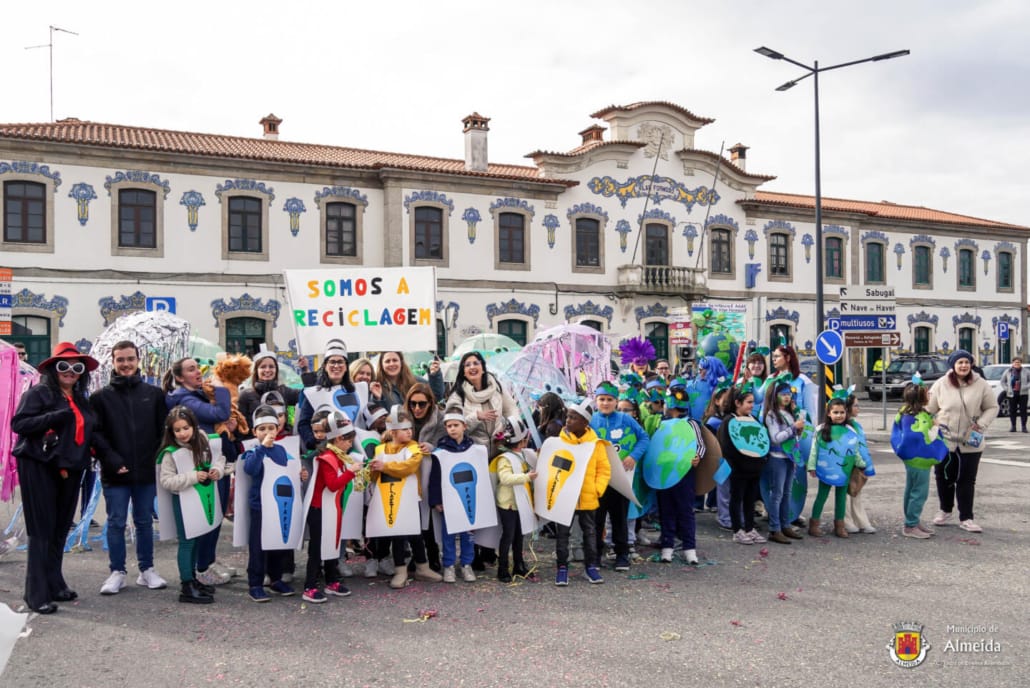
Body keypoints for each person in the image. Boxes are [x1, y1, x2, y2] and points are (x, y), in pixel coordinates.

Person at [11, 342, 119, 614]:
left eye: (77, 367)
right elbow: (20, 424)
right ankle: (35, 594)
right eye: (64, 366)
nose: (70, 371)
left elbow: (92, 433)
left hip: (71, 468)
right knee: (42, 530)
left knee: (60, 529)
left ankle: (55, 584)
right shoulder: (39, 393)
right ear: (53, 369)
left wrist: (112, 458)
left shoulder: (82, 399)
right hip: (39, 466)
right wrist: (55, 416)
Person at [90, 340, 169, 595]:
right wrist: (113, 460)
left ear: (138, 361)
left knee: (145, 521)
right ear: (113, 362)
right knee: (115, 521)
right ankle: (117, 571)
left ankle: (147, 569)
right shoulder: (101, 397)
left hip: (145, 470)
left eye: (130, 359)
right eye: (120, 359)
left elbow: (162, 431)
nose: (126, 364)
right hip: (116, 471)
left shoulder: (154, 394)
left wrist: (156, 459)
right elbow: (96, 434)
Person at [162, 357, 234, 586]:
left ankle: (208, 560)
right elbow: (220, 414)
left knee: (215, 514)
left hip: (212, 460)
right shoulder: (185, 400)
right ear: (180, 377)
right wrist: (222, 389)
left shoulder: (198, 394)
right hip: (198, 465)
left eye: (197, 367)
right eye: (191, 369)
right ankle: (201, 567)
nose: (198, 372)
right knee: (206, 515)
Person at [157, 406, 225, 604]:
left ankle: (193, 578)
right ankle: (186, 585)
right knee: (187, 542)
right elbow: (167, 481)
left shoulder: (203, 440)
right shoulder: (171, 453)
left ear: (194, 426)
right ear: (171, 432)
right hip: (184, 501)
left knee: (197, 538)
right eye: (177, 430)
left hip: (202, 499)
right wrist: (193, 477)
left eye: (186, 428)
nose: (182, 433)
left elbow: (219, 458)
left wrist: (217, 471)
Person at [368, 409, 443, 589]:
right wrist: (373, 469)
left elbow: (408, 467)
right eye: (404, 429)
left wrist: (384, 466)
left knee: (416, 534)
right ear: (393, 432)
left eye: (410, 428)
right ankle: (400, 570)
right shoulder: (380, 449)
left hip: (410, 497)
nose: (409, 432)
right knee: (397, 535)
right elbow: (374, 478)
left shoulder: (413, 448)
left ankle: (422, 567)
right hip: (389, 497)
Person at [241, 405, 307, 602]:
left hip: (278, 505)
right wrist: (262, 448)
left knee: (277, 543)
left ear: (278, 429)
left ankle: (275, 578)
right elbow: (250, 469)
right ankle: (255, 583)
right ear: (255, 432)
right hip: (260, 506)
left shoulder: (283, 451)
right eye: (262, 429)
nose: (267, 432)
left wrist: (300, 475)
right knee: (258, 546)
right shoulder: (254, 451)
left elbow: (288, 472)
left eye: (271, 428)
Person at [927, 349, 998, 533]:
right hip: (945, 440)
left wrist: (981, 424)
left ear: (971, 364)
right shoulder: (941, 384)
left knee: (967, 480)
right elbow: (929, 408)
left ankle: (966, 517)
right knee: (943, 477)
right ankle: (945, 510)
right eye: (960, 363)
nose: (964, 366)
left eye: (966, 362)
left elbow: (992, 407)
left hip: (971, 441)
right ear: (953, 365)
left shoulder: (981, 384)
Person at [589, 381, 649, 571]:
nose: (605, 403)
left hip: (621, 479)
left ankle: (622, 555)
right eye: (601, 399)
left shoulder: (626, 420)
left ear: (616, 401)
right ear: (596, 401)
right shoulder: (591, 422)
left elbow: (644, 438)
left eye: (609, 399)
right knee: (597, 520)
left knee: (619, 518)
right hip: (598, 480)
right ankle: (595, 555)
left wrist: (633, 456)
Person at [551, 402, 611, 587]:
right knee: (562, 534)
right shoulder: (559, 442)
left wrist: (596, 489)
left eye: (573, 417)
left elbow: (604, 469)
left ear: (585, 422)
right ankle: (562, 568)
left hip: (588, 497)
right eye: (567, 416)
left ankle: (591, 566)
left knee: (590, 533)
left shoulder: (595, 445)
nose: (567, 420)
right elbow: (552, 469)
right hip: (565, 498)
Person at [302, 411, 359, 603]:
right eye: (349, 441)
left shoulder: (338, 456)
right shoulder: (327, 457)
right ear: (339, 439)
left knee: (333, 545)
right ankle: (309, 586)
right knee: (317, 549)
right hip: (320, 509)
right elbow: (332, 484)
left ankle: (331, 581)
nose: (351, 445)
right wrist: (351, 472)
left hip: (332, 508)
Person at [650, 380, 704, 564]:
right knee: (666, 510)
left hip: (684, 473)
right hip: (664, 473)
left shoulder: (691, 424)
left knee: (685, 510)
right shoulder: (662, 424)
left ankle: (690, 548)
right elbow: (655, 446)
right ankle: (667, 546)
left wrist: (697, 457)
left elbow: (700, 445)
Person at [891, 381, 948, 539]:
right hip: (921, 459)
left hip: (910, 458)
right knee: (919, 492)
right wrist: (936, 426)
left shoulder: (904, 413)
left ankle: (912, 521)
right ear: (921, 397)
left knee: (911, 489)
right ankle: (910, 525)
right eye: (927, 392)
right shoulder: (921, 416)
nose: (929, 394)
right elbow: (926, 438)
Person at [428, 409, 478, 584]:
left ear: (464, 426)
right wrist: (436, 500)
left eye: (456, 425)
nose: (452, 429)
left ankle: (466, 564)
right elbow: (435, 477)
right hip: (448, 500)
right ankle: (448, 565)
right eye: (449, 426)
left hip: (468, 497)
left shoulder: (474, 449)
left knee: (468, 533)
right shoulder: (440, 451)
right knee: (448, 534)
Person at [807, 396, 866, 538]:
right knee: (822, 496)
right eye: (836, 412)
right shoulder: (821, 430)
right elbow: (815, 450)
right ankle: (814, 525)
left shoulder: (850, 430)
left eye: (842, 412)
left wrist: (860, 463)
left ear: (846, 413)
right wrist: (812, 466)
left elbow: (854, 449)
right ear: (829, 413)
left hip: (844, 470)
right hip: (827, 469)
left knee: (841, 498)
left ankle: (839, 526)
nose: (839, 415)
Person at [718, 385, 768, 545]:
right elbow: (726, 447)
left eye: (753, 402)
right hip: (739, 469)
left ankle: (749, 527)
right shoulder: (729, 421)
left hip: (754, 469)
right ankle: (737, 530)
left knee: (750, 499)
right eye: (748, 402)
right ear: (738, 403)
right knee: (736, 498)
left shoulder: (753, 420)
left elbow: (762, 441)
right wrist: (738, 464)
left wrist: (761, 460)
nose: (752, 406)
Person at [492, 416, 537, 583]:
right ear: (523, 440)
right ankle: (502, 568)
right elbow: (505, 479)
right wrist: (527, 477)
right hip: (508, 503)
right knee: (508, 536)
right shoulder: (505, 458)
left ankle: (519, 564)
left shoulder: (522, 455)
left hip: (519, 503)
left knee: (519, 536)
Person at [407, 382, 446, 571]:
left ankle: (433, 554)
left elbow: (446, 442)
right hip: (409, 472)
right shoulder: (404, 418)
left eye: (421, 404)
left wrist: (433, 446)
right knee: (412, 516)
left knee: (429, 516)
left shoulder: (440, 418)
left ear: (430, 403)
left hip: (432, 472)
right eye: (413, 403)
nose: (417, 408)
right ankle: (417, 556)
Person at [761, 378, 805, 544]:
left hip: (789, 457)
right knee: (777, 494)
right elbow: (776, 437)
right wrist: (793, 428)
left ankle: (785, 525)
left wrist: (797, 428)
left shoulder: (789, 413)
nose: (787, 397)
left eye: (789, 394)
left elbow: (794, 436)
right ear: (775, 395)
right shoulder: (772, 415)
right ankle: (774, 528)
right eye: (783, 394)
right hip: (777, 458)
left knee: (787, 493)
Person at [446, 351, 518, 450]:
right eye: (467, 365)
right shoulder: (457, 395)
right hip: (473, 452)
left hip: (500, 449)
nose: (472, 367)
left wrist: (512, 430)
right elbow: (453, 428)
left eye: (476, 363)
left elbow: (510, 409)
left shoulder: (497, 386)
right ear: (464, 372)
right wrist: (476, 417)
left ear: (483, 369)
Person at [296, 339, 356, 452]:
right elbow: (303, 424)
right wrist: (317, 443)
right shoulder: (314, 393)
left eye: (340, 362)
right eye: (332, 362)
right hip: (325, 452)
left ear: (346, 366)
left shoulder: (356, 391)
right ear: (325, 366)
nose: (336, 365)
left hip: (353, 450)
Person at [238, 350, 301, 439]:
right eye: (263, 367)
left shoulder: (284, 391)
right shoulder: (245, 395)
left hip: (283, 442)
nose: (267, 370)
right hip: (255, 444)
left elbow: (307, 395)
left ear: (276, 369)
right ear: (256, 370)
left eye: (271, 366)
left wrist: (305, 370)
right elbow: (241, 427)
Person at [842, 393, 876, 535]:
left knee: (856, 492)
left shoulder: (857, 425)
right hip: (847, 463)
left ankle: (860, 521)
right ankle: (847, 521)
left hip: (858, 463)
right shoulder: (845, 426)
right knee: (845, 493)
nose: (858, 408)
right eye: (856, 405)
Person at [373, 351, 444, 410]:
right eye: (387, 361)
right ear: (381, 365)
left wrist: (435, 376)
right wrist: (378, 399)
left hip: (416, 426)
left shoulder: (415, 381)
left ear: (401, 362)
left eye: (395, 360)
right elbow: (375, 412)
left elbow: (436, 397)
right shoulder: (377, 386)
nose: (391, 364)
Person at [1000, 358, 1030, 432]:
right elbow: (1003, 381)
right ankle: (1013, 426)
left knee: (1023, 410)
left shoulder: (1026, 371)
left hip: (1023, 393)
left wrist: (1026, 386)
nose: (1017, 364)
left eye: (1019, 362)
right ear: (1013, 363)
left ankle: (1024, 427)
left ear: (1021, 363)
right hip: (1012, 394)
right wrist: (1007, 389)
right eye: (1015, 362)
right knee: (1012, 410)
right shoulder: (1008, 371)